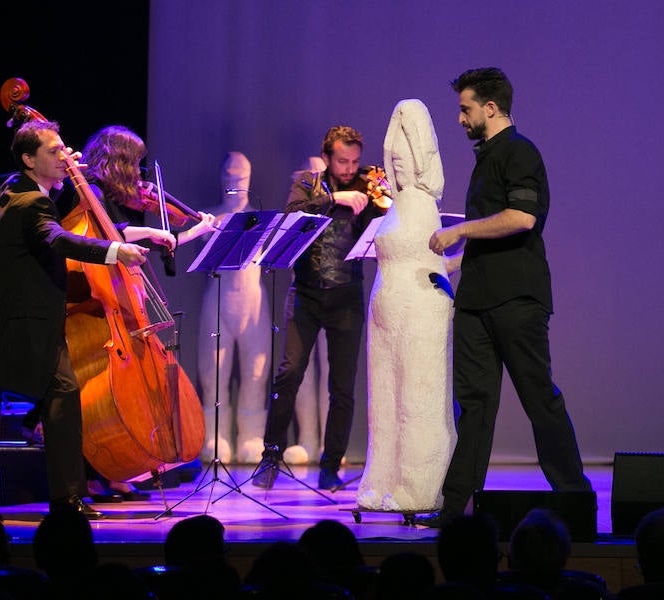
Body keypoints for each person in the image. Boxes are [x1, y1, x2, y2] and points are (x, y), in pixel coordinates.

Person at [422, 67, 592, 527]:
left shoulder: (519, 151)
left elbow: (520, 218)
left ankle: (577, 502)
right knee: (474, 405)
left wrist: (457, 231)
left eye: (465, 109)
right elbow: (490, 237)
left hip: (516, 300)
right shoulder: (488, 157)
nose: (460, 119)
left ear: (490, 108)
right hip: (477, 301)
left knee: (539, 399)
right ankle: (456, 508)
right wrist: (451, 264)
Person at [0, 120, 150, 519]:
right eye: (52, 151)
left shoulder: (15, 187)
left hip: (22, 321)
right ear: (28, 158)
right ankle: (68, 499)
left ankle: (71, 491)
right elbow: (57, 238)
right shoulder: (32, 203)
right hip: (27, 328)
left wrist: (60, 175)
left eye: (63, 149)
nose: (64, 156)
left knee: (68, 389)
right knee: (65, 392)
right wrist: (114, 251)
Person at [76, 124, 215, 501]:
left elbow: (147, 242)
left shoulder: (116, 196)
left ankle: (116, 469)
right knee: (96, 389)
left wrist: (192, 232)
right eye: (134, 163)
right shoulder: (89, 190)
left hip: (122, 295)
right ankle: (89, 468)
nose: (139, 173)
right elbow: (110, 234)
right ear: (118, 160)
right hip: (92, 297)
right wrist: (148, 232)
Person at [252, 125, 387, 490]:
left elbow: (385, 228)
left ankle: (331, 466)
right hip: (307, 296)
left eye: (355, 162)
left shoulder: (368, 186)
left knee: (342, 387)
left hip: (346, 296)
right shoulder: (307, 184)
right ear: (327, 157)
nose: (349, 168)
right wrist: (335, 198)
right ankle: (270, 456)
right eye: (342, 161)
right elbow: (293, 213)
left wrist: (385, 201)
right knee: (289, 374)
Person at [357, 99, 456, 512]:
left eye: (405, 159)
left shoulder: (423, 206)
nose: (397, 166)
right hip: (386, 313)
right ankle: (383, 477)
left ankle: (418, 483)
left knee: (417, 403)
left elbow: (433, 258)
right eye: (392, 160)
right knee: (384, 405)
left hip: (418, 312)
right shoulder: (398, 204)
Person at [197, 151, 271, 465]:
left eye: (239, 177)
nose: (233, 182)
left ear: (249, 178)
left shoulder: (263, 221)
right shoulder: (210, 218)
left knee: (256, 372)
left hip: (253, 301)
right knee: (213, 371)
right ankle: (215, 436)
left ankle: (252, 437)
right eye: (228, 176)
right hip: (219, 298)